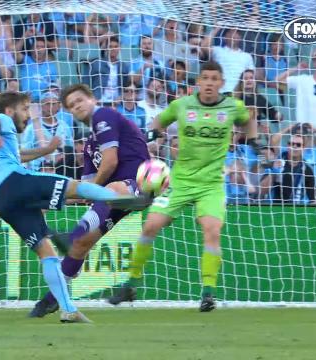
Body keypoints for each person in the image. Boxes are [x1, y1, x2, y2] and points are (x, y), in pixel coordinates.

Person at [0, 92, 143, 323]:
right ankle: (123, 199)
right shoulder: (2, 120)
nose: (27, 115)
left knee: (47, 253)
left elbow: (17, 155)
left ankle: (68, 309)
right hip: (13, 181)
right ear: (9, 111)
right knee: (76, 186)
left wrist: (46, 150)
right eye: (25, 109)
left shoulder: (3, 146)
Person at [107, 61, 257, 312]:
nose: (209, 83)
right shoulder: (181, 105)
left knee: (212, 230)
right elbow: (158, 121)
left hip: (211, 184)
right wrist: (153, 133)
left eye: (214, 79)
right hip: (180, 180)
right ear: (198, 82)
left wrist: (253, 140)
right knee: (150, 225)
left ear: (221, 83)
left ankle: (208, 293)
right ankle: (131, 284)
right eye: (205, 78)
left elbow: (248, 118)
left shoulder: (233, 107)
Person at [28, 83, 150, 318]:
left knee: (111, 188)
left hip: (137, 184)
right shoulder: (89, 144)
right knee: (81, 244)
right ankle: (52, 299)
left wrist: (94, 189)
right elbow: (85, 188)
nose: (77, 107)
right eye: (71, 106)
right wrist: (50, 200)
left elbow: (111, 162)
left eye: (80, 101)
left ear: (92, 99)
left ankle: (70, 236)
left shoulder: (104, 115)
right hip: (115, 199)